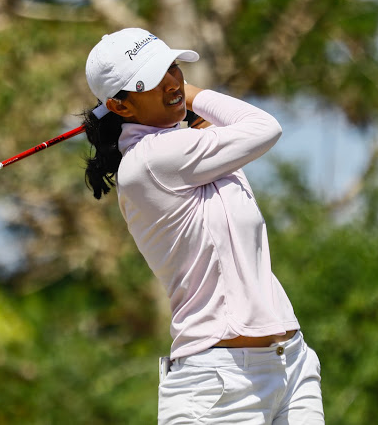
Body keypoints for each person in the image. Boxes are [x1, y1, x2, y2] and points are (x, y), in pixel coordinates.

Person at [82, 28, 324, 424]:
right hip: (218, 384)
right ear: (120, 107)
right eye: (153, 80)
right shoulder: (148, 161)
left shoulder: (185, 149)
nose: (172, 82)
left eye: (173, 68)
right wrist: (193, 95)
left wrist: (186, 107)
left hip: (291, 365)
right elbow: (265, 127)